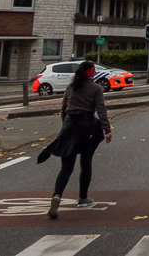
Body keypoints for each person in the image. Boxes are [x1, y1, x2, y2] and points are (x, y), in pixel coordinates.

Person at [38, 61, 112, 218]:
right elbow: (101, 109)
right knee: (86, 163)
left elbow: (63, 109)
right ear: (91, 72)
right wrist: (107, 129)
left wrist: (66, 126)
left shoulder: (71, 86)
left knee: (66, 167)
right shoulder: (96, 88)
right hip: (87, 127)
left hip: (69, 126)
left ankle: (57, 195)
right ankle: (83, 197)